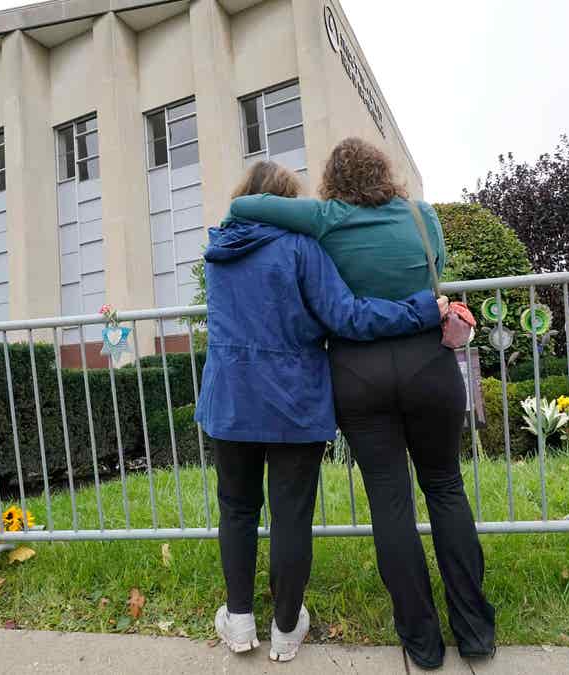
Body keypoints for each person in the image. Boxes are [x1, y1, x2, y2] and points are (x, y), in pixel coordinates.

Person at [227, 138, 497, 669]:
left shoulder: (326, 219)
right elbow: (433, 274)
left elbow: (243, 206)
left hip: (358, 373)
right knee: (445, 488)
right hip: (428, 366)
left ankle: (420, 643)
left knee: (389, 502)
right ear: (385, 172)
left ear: (333, 180)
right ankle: (475, 632)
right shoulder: (422, 217)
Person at [195, 160, 448, 663]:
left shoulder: (217, 252)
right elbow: (345, 316)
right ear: (289, 203)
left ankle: (239, 619)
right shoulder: (302, 248)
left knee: (237, 509)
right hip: (293, 398)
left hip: (230, 397)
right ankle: (287, 628)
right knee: (291, 516)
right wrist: (419, 309)